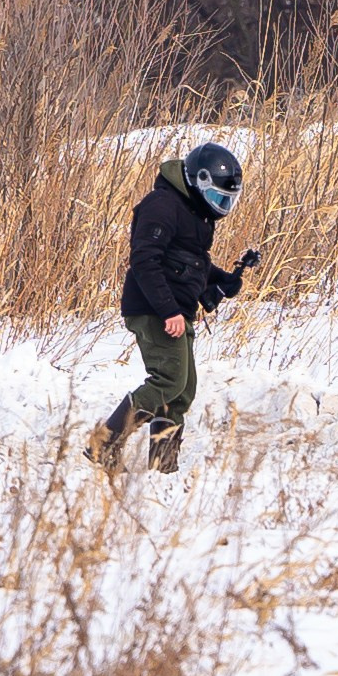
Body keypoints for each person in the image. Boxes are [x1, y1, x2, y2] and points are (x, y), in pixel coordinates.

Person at [88, 142, 260, 472]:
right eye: (217, 198)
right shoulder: (162, 206)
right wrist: (169, 311)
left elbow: (191, 261)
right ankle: (104, 444)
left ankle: (163, 466)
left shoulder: (194, 212)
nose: (221, 207)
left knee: (182, 390)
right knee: (168, 380)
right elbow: (144, 260)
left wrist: (222, 279)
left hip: (176, 310)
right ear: (198, 182)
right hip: (154, 309)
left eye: (227, 201)